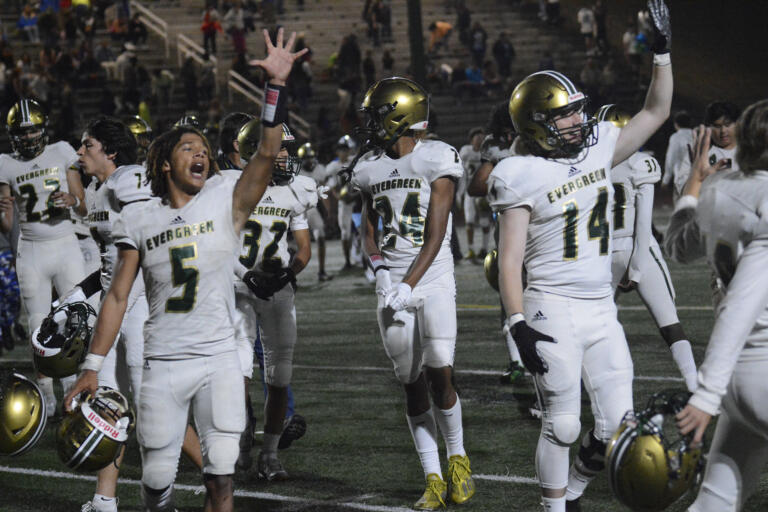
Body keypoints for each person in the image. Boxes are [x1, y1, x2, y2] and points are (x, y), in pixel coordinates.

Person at [64, 29, 307, 512]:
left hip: (217, 357)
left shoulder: (226, 201)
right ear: (165, 163)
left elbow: (264, 153)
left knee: (221, 475)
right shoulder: (140, 215)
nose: (200, 154)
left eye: (203, 148)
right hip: (164, 362)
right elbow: (116, 296)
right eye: (187, 148)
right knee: (156, 480)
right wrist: (92, 367)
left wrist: (275, 89)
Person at [487, 1, 673, 509]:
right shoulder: (518, 173)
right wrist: (516, 322)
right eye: (565, 113)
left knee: (617, 425)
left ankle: (570, 492)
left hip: (601, 307)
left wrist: (660, 53)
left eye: (577, 110)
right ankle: (552, 507)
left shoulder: (597, 149)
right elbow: (509, 260)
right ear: (537, 122)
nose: (578, 120)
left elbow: (656, 111)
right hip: (552, 305)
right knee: (564, 423)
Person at [350, 77, 475, 510]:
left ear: (397, 115)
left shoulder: (437, 157)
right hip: (393, 284)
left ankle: (458, 459)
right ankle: (433, 477)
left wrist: (409, 282)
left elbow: (437, 235)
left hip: (433, 277)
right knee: (410, 383)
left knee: (441, 371)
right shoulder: (368, 168)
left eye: (376, 114)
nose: (370, 124)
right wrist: (382, 271)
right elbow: (369, 232)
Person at [675, 100, 768, 512]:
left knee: (715, 501)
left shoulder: (717, 190)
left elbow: (677, 248)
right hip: (759, 366)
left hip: (738, 378)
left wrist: (694, 182)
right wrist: (705, 394)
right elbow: (746, 298)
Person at [226, 123, 316, 480]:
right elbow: (218, 240)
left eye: (287, 149)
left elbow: (304, 248)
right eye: (278, 149)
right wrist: (245, 274)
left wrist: (288, 272)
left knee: (280, 374)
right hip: (240, 288)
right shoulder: (231, 185)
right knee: (237, 372)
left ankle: (270, 453)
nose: (285, 156)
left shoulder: (297, 190)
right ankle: (241, 435)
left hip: (278, 289)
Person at [597, 105, 697, 392]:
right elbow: (643, 225)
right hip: (638, 246)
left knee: (594, 327)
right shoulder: (640, 163)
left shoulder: (591, 165)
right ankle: (693, 384)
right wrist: (637, 268)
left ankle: (589, 389)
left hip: (603, 253)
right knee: (669, 323)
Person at [0, 98, 87, 416]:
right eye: (22, 132)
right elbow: (9, 225)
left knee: (76, 319)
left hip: (65, 244)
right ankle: (47, 393)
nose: (28, 137)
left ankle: (73, 386)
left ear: (43, 129)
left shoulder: (63, 150)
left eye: (33, 130)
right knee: (38, 322)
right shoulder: (4, 163)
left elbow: (83, 205)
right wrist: (3, 213)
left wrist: (73, 198)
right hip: (31, 249)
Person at [673, 101, 740, 200]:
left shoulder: (749, 149)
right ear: (709, 127)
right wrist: (699, 177)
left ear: (738, 124)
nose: (723, 131)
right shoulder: (700, 151)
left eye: (728, 125)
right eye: (717, 126)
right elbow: (683, 189)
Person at [297, 142, 331, 281]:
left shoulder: (320, 169)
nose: (309, 160)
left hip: (312, 209)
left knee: (321, 237)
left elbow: (322, 191)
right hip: (298, 209)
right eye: (306, 158)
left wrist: (327, 211)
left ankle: (322, 271)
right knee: (294, 245)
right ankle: (291, 274)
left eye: (311, 157)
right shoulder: (295, 169)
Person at [325, 135, 359, 270]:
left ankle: (364, 258)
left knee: (364, 230)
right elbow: (333, 188)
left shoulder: (355, 161)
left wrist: (356, 195)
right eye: (342, 150)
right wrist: (341, 197)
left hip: (359, 199)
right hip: (345, 202)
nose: (344, 153)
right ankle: (347, 260)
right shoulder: (333, 167)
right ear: (337, 152)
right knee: (345, 232)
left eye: (346, 150)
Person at [459, 127, 489, 261]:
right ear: (471, 140)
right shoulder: (465, 152)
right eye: (478, 138)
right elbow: (462, 174)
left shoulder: (487, 152)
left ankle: (485, 248)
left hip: (483, 192)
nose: (480, 141)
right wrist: (460, 193)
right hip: (470, 192)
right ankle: (471, 249)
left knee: (485, 222)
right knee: (469, 221)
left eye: (482, 139)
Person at [662, 110, 693, 194]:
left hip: (681, 179)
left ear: (676, 124)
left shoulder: (676, 137)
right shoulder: (696, 135)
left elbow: (670, 158)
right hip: (697, 178)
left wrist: (666, 179)